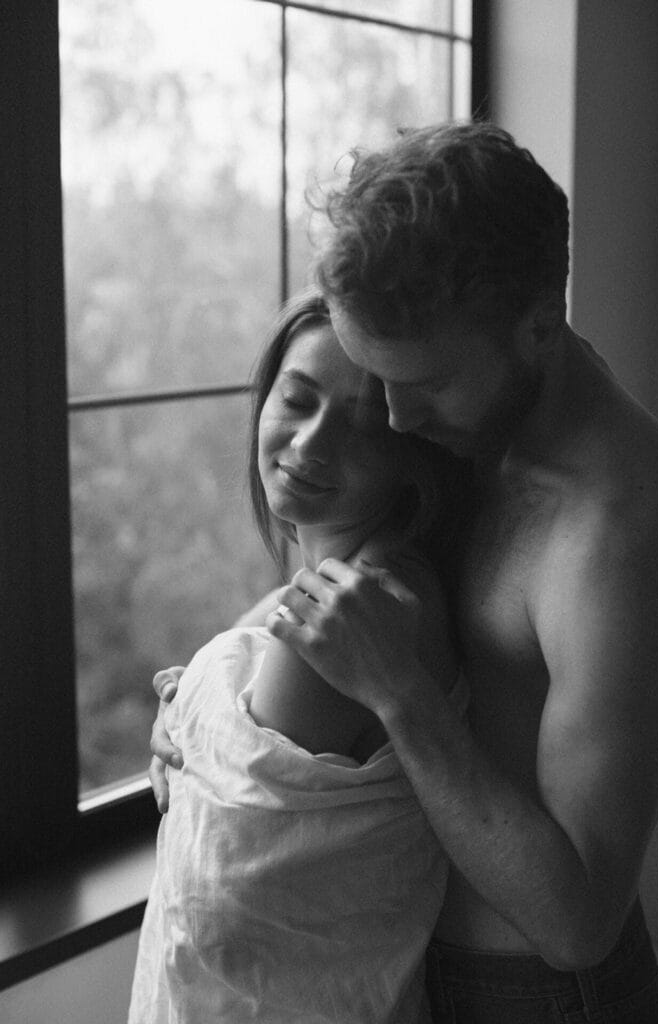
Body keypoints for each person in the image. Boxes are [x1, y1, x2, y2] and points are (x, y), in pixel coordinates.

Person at [150, 123, 658, 1022]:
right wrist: (207, 694)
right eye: (373, 377)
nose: (394, 416)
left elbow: (577, 919)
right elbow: (347, 580)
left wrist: (403, 697)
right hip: (418, 968)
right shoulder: (479, 414)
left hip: (542, 999)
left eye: (422, 383)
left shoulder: (612, 534)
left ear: (536, 330)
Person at [131, 290, 468, 1024]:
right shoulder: (373, 583)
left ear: (413, 454)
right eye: (297, 398)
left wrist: (192, 710)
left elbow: (220, 895)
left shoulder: (353, 623)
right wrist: (189, 696)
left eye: (359, 425)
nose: (310, 443)